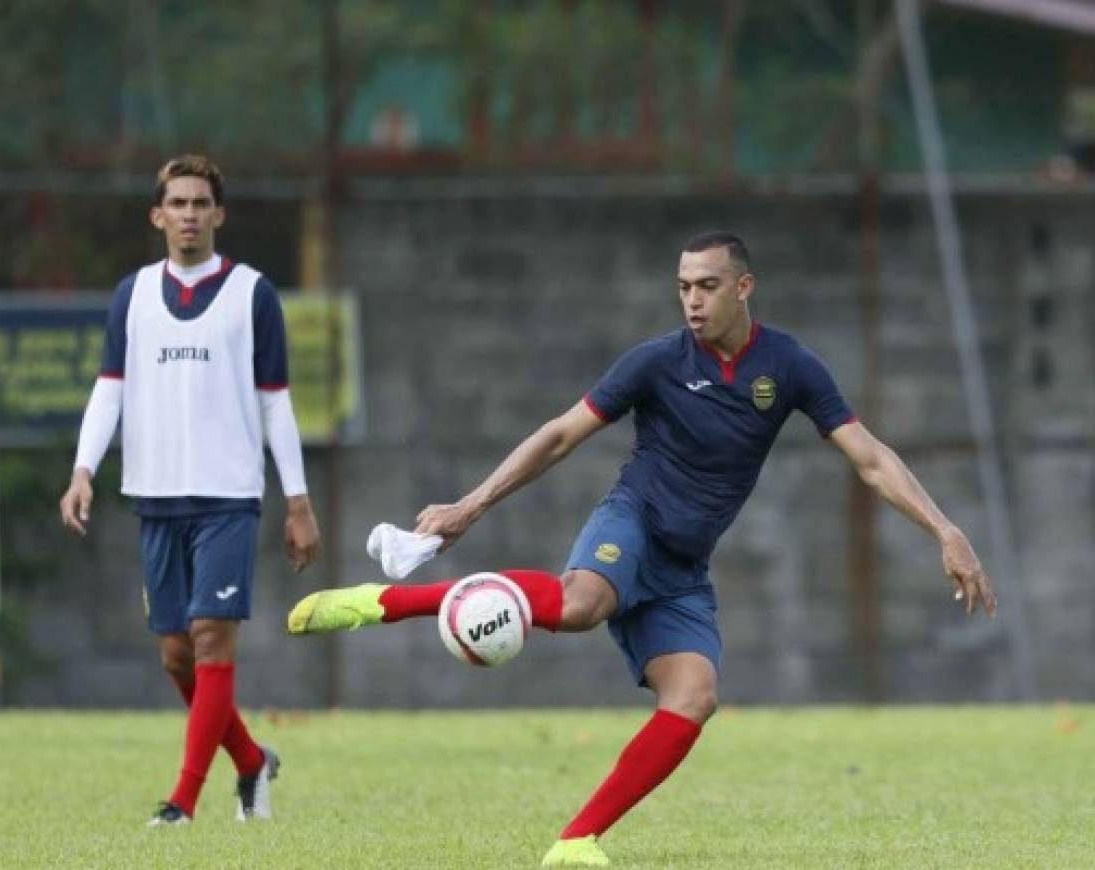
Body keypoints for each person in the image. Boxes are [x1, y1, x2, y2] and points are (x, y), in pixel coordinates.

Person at [286, 231, 997, 866]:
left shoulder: (790, 367)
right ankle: (381, 601)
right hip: (633, 521)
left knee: (694, 698)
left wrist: (945, 528)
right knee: (580, 604)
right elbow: (562, 433)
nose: (692, 300)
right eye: (683, 286)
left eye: (707, 285)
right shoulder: (657, 362)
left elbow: (868, 456)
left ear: (743, 287)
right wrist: (472, 504)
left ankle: (575, 841)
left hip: (684, 568)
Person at [59, 154, 321, 826]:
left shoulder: (252, 294)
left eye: (201, 203)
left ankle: (182, 802)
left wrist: (297, 500)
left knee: (210, 638)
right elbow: (109, 390)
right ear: (157, 215)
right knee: (177, 655)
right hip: (155, 497)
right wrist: (83, 469)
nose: (189, 215)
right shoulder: (134, 295)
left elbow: (275, 403)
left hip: (229, 498)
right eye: (177, 203)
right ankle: (252, 762)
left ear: (219, 215)